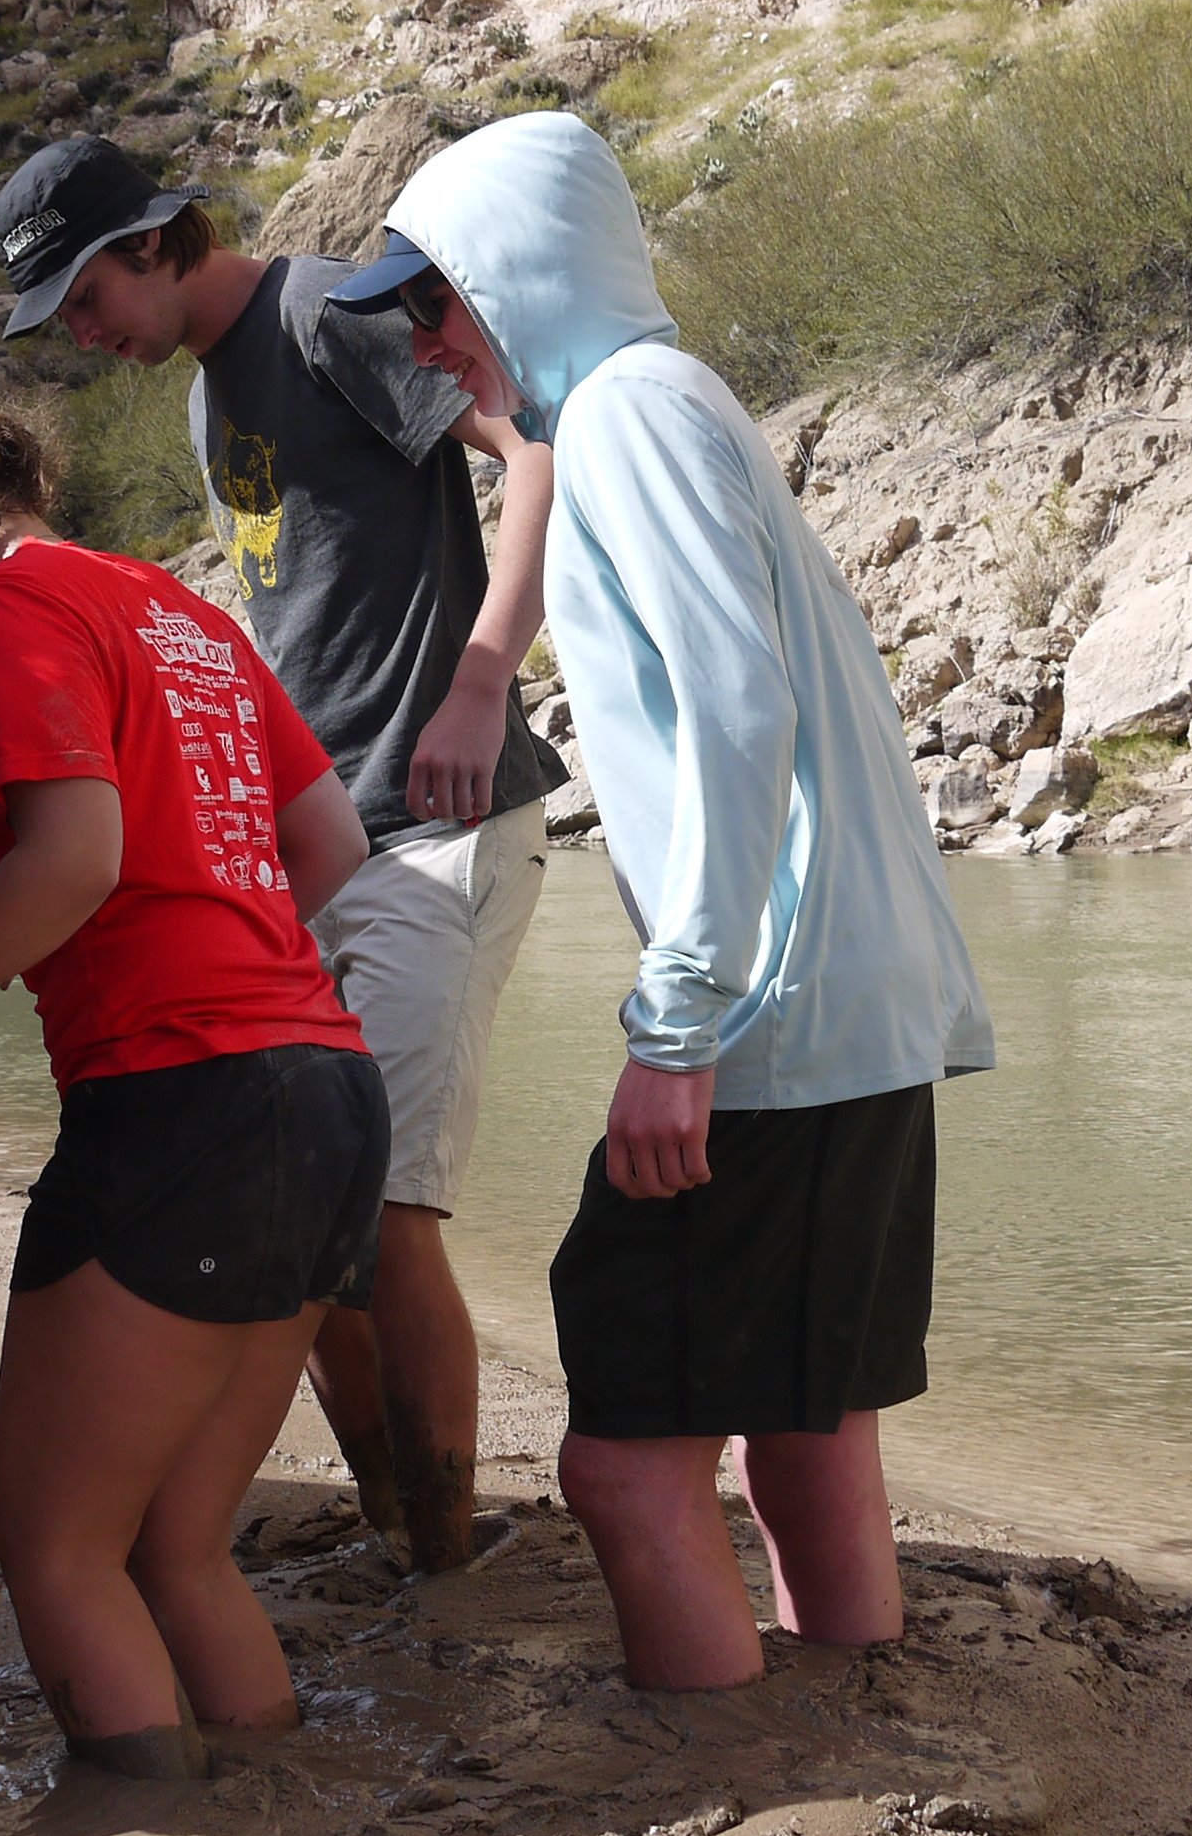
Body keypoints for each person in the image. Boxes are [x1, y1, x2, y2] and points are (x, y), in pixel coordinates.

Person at [325, 111, 994, 1692]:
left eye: (437, 301)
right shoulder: (677, 405)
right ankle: (849, 1725)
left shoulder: (626, 415)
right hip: (863, 1004)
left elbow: (738, 710)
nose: (430, 345)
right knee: (805, 1422)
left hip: (767, 1012)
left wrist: (680, 1019)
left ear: (516, 277)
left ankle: (740, 1771)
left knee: (623, 1460)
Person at [0, 136, 564, 1574]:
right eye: (58, 316)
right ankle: (394, 1525)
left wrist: (488, 674)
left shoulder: (325, 319)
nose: (83, 332)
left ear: (155, 239)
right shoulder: (202, 404)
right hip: (318, 843)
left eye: (85, 293)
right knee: (314, 1202)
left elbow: (531, 450)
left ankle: (443, 1551)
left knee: (392, 1208)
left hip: (445, 816)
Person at [0, 359, 381, 1779]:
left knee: (56, 1544)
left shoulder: (9, 605)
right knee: (181, 1545)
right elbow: (328, 845)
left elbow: (71, 863)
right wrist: (216, 948)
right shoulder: (183, 607)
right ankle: (273, 1797)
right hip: (326, 1086)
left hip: (181, 1106)